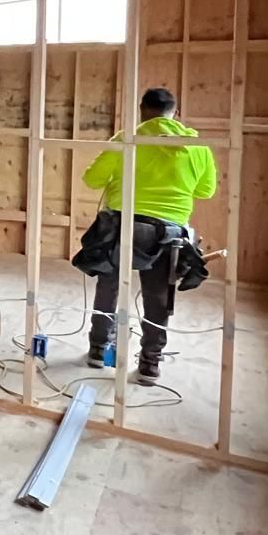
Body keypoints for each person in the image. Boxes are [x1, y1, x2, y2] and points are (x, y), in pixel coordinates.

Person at [77, 86, 217, 385]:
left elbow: (91, 179)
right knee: (157, 296)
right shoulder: (197, 146)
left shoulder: (127, 138)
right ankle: (149, 365)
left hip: (123, 226)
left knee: (109, 284)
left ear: (142, 110)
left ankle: (98, 349)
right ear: (174, 113)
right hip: (167, 233)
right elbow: (205, 191)